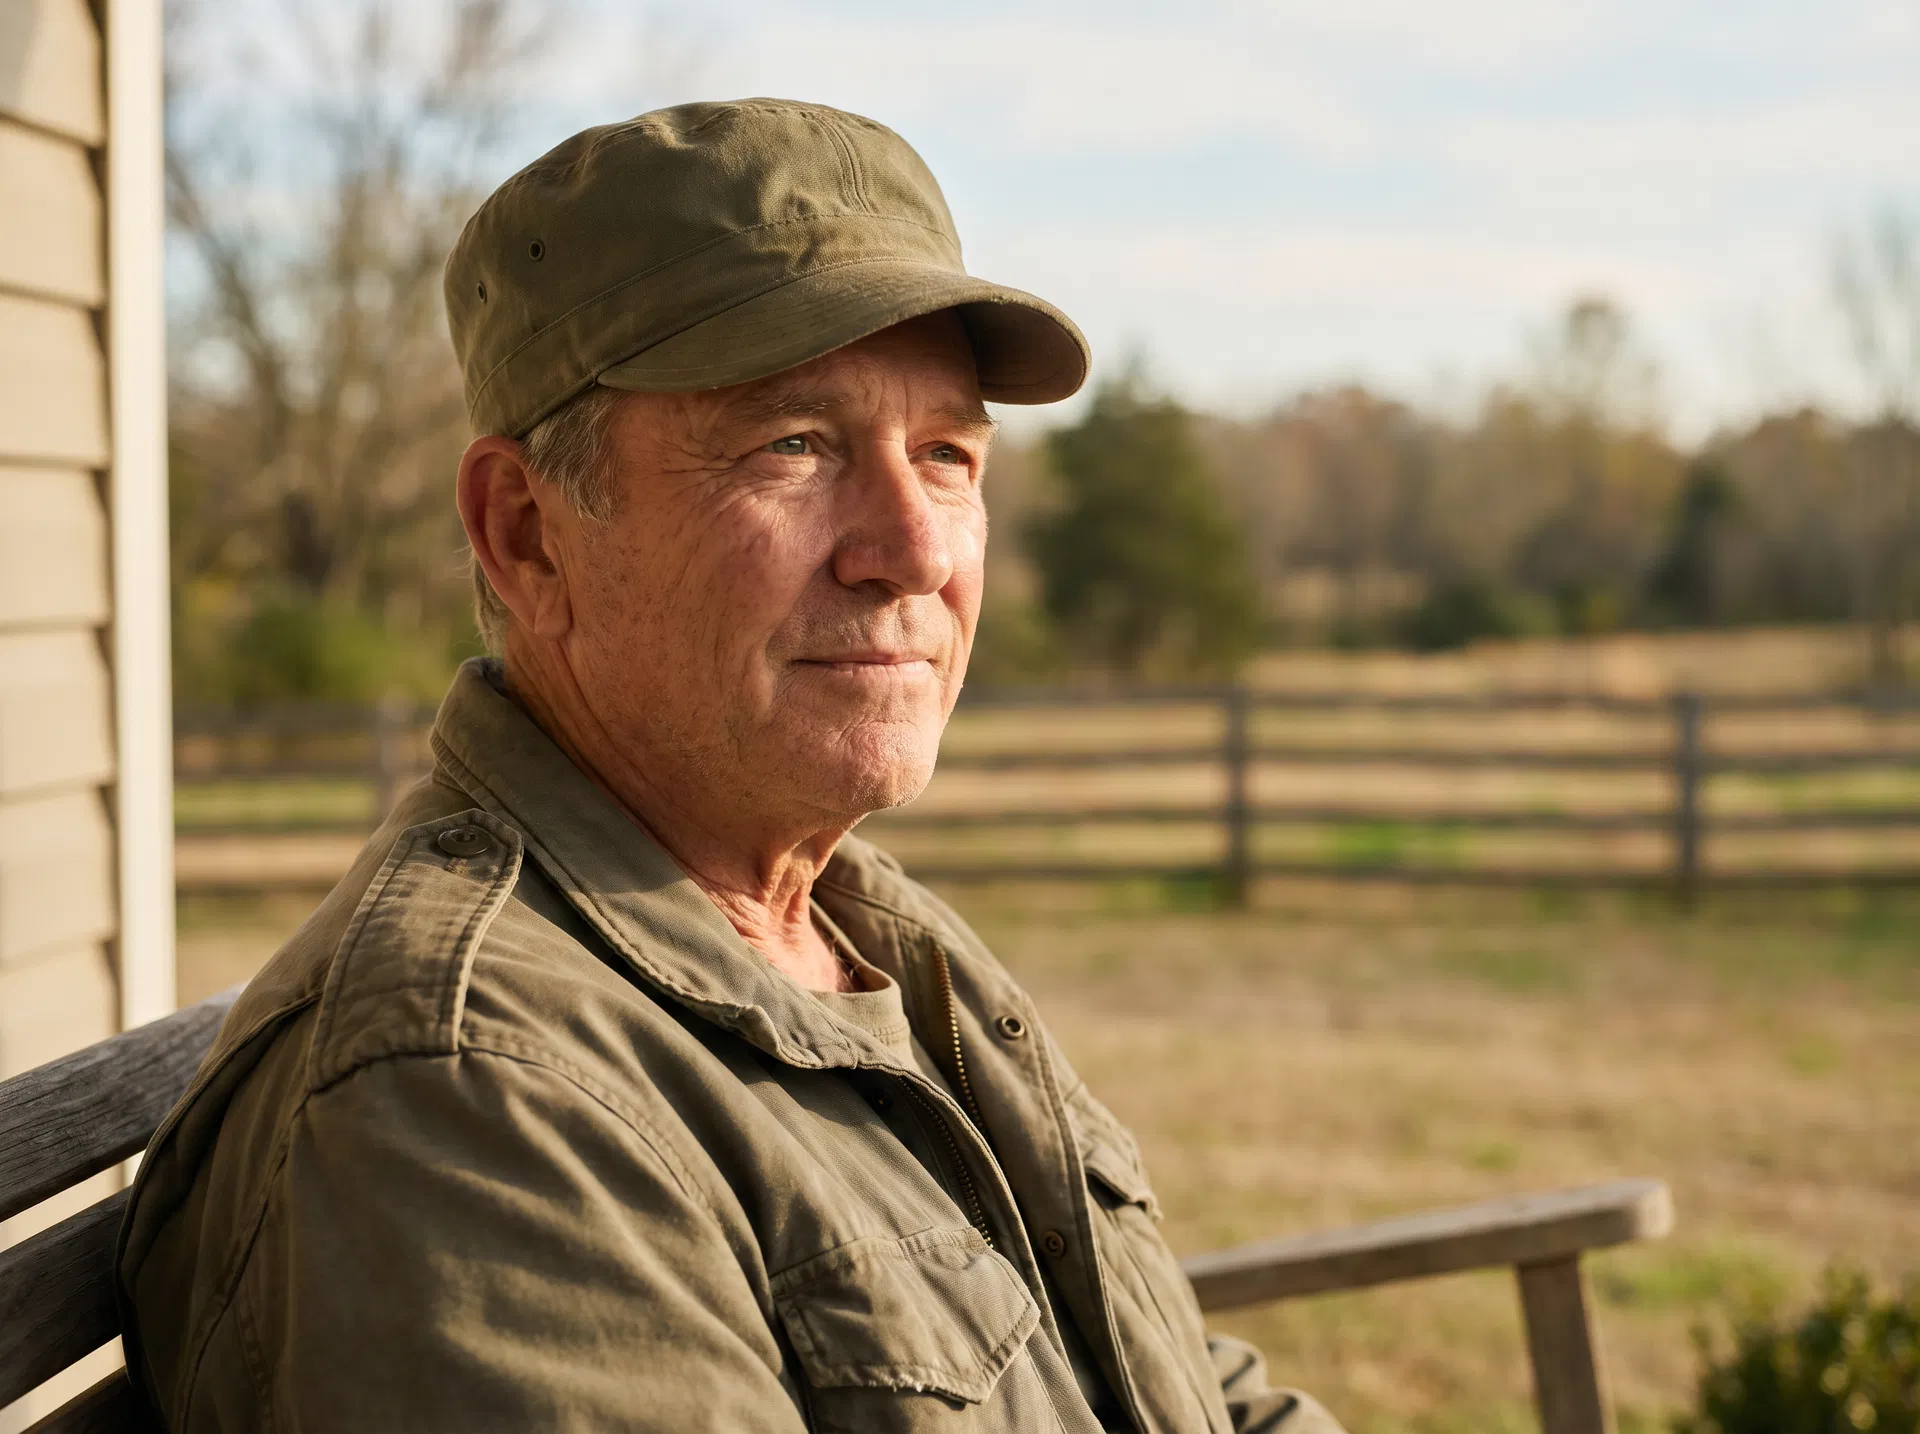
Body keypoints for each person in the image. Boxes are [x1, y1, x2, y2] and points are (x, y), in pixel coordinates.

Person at [119, 98, 1343, 1433]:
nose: (914, 550)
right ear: (526, 532)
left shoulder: (854, 930)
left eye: (947, 456)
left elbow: (1157, 1375)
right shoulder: (475, 1099)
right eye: (795, 446)